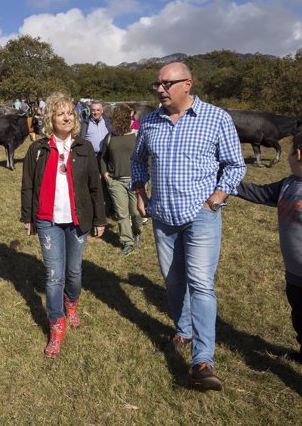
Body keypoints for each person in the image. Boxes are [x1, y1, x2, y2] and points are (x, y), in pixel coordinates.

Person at [130, 62, 246, 391]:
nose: (160, 89)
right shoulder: (151, 121)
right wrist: (140, 191)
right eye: (158, 84)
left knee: (201, 284)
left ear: (188, 84)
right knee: (173, 281)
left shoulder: (216, 118)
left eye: (167, 84)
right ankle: (183, 330)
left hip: (202, 215)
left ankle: (202, 359)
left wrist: (215, 199)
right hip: (163, 215)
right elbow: (138, 159)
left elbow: (235, 164)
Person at [21, 92, 107, 358]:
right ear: (51, 119)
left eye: (70, 113)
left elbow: (95, 186)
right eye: (61, 113)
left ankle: (72, 303)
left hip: (78, 220)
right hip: (48, 220)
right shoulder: (38, 150)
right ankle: (56, 325)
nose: (67, 117)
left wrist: (100, 219)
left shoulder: (84, 149)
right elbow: (28, 185)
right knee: (53, 275)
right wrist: (28, 217)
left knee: (74, 273)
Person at [235, 132, 302, 364]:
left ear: (298, 154)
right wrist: (229, 183)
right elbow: (261, 193)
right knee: (299, 315)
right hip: (294, 274)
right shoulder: (288, 184)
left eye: (290, 151)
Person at [100, 104, 143, 256]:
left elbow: (145, 159)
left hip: (135, 181)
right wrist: (105, 175)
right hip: (115, 181)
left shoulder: (137, 135)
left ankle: (137, 231)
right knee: (122, 213)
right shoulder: (110, 137)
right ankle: (128, 242)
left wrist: (145, 178)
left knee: (136, 212)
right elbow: (103, 158)